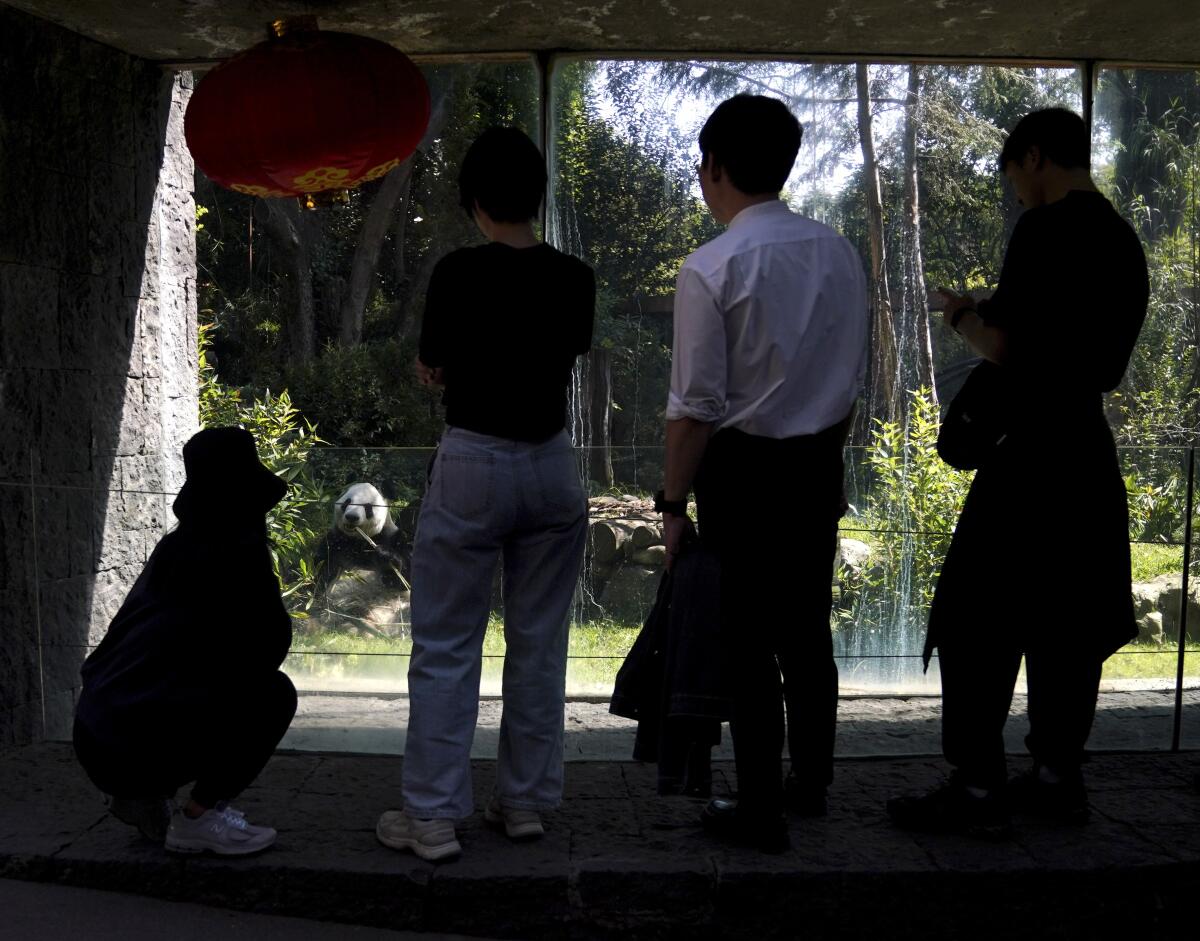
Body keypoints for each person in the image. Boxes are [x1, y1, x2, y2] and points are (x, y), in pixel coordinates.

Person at [887, 108, 1149, 838]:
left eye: (1013, 175)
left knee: (975, 619)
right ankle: (1058, 775)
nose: (1015, 192)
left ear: (1034, 157)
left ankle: (975, 784)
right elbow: (1100, 360)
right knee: (1070, 621)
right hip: (1087, 454)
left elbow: (1010, 347)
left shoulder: (1045, 230)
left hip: (1031, 455)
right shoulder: (1123, 240)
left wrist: (963, 318)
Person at [375, 126, 595, 862]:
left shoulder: (457, 272)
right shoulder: (575, 277)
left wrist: (439, 370)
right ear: (539, 197)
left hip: (472, 460)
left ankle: (433, 815)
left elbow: (435, 362)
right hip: (551, 464)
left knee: (444, 642)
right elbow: (557, 354)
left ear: (475, 202)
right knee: (539, 644)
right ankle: (526, 801)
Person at [658, 94, 869, 852]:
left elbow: (695, 407)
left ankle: (756, 808)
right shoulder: (839, 252)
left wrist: (673, 500)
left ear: (714, 167)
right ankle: (809, 782)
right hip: (817, 464)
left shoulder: (712, 265)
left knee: (746, 642)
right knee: (807, 633)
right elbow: (849, 380)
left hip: (741, 470)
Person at [73, 427, 296, 856]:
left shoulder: (174, 549)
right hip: (135, 740)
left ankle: (142, 793)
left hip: (96, 731)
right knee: (273, 695)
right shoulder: (236, 554)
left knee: (183, 682)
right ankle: (197, 818)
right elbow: (268, 647)